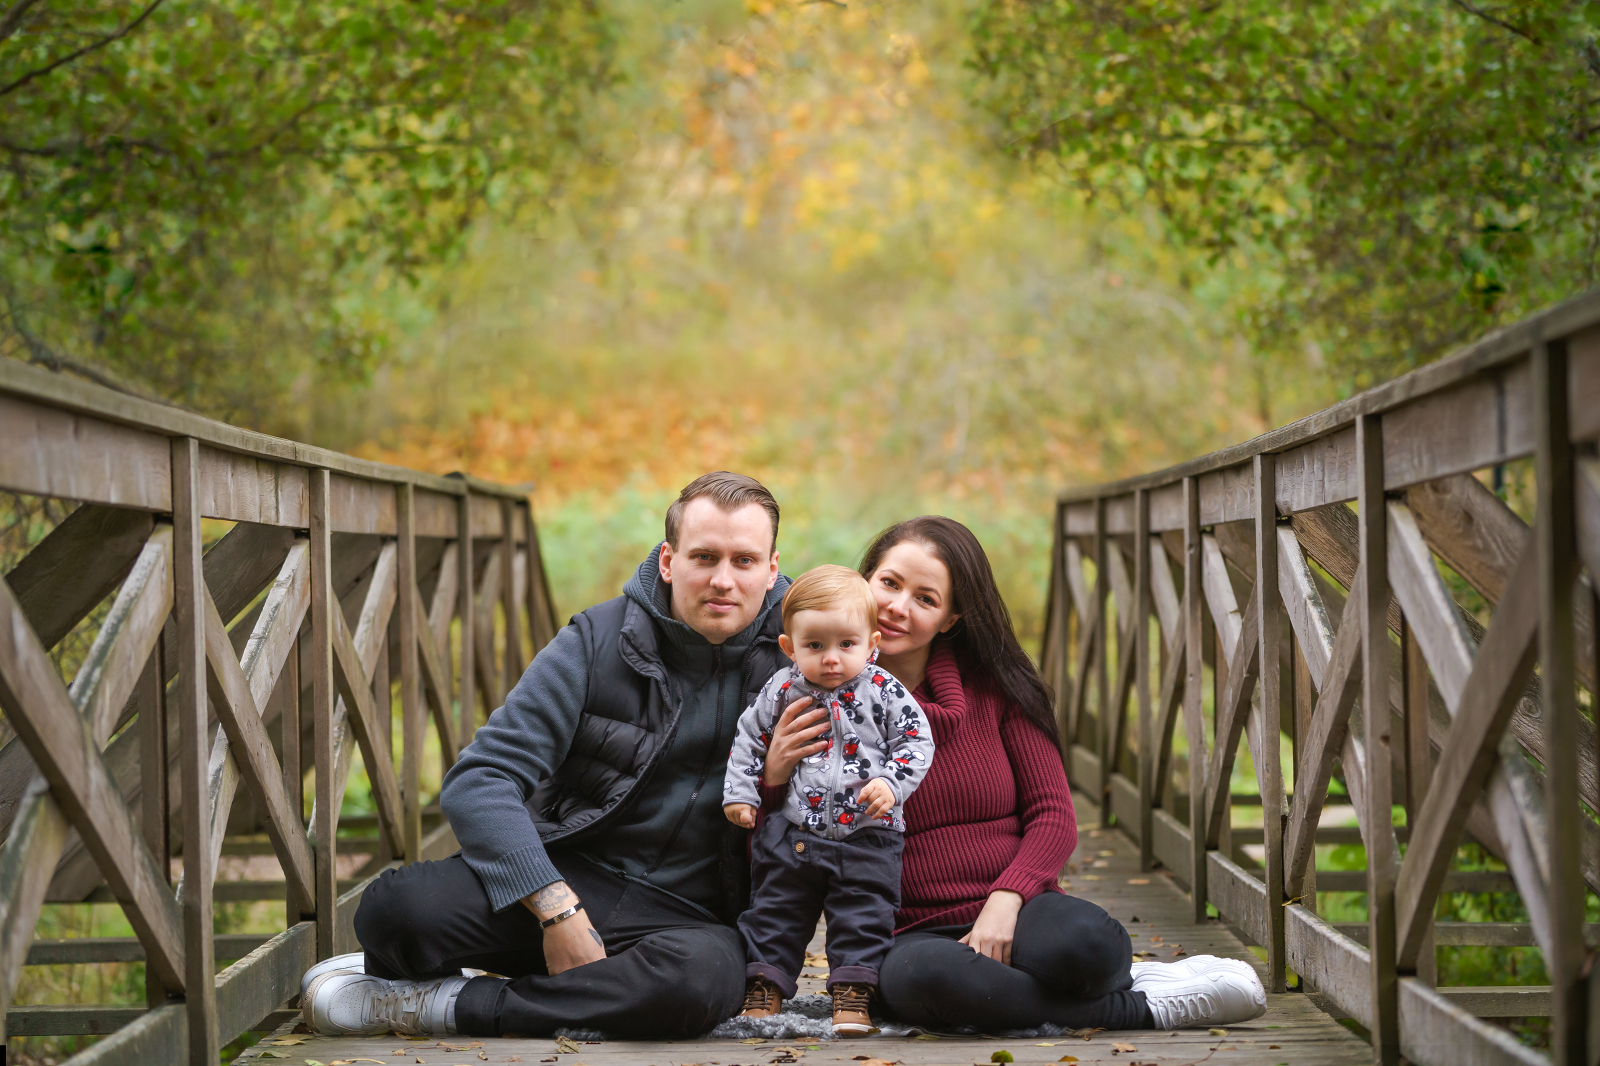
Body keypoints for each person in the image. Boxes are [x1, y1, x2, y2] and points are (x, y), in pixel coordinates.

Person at [301, 472, 796, 1039]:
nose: (723, 580)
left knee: (698, 986)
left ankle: (448, 1005)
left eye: (745, 561)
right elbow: (481, 777)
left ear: (772, 568)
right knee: (396, 912)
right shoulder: (598, 640)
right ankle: (581, 991)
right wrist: (556, 908)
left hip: (691, 921)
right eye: (704, 557)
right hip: (568, 872)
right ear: (667, 560)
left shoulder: (808, 657)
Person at [758, 516, 1267, 1032]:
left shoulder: (997, 690)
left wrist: (1007, 899)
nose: (896, 607)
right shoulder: (808, 700)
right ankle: (1143, 1007)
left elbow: (1053, 815)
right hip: (903, 932)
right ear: (865, 580)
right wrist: (774, 774)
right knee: (924, 983)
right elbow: (781, 839)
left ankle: (1050, 988)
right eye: (889, 583)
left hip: (1017, 904)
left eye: (925, 598)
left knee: (1089, 947)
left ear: (951, 618)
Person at [722, 566, 934, 1036]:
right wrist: (740, 792)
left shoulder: (884, 691)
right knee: (776, 911)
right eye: (815, 646)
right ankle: (765, 988)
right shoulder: (781, 690)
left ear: (871, 643)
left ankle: (852, 995)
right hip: (795, 830)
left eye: (847, 644)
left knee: (863, 914)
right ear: (790, 646)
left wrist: (893, 784)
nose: (832, 659)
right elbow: (749, 739)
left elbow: (916, 742)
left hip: (867, 835)